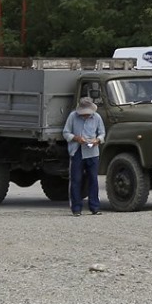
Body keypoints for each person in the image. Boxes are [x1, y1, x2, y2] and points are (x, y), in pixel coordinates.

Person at [64, 86, 106, 216]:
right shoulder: (72, 116)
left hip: (92, 152)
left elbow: (102, 133)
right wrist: (76, 138)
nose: (86, 115)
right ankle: (76, 208)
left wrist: (97, 140)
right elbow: (66, 133)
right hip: (77, 151)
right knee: (76, 180)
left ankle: (95, 207)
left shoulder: (97, 117)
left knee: (93, 179)